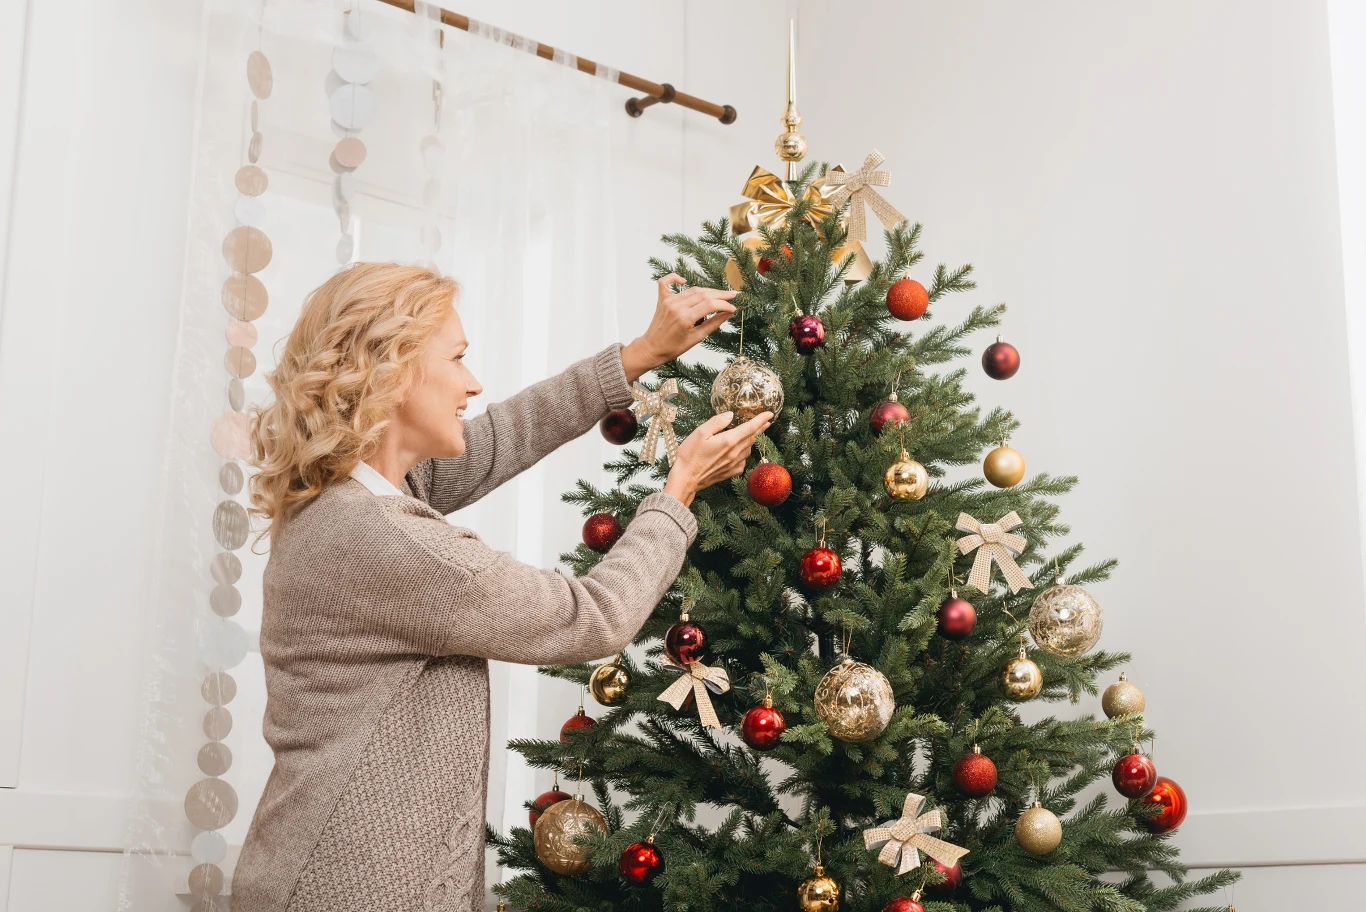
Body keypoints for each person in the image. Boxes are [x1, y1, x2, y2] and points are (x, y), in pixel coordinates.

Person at [230, 262, 771, 912]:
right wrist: (679, 488)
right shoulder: (379, 538)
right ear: (393, 372)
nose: (473, 383)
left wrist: (641, 354)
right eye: (457, 359)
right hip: (353, 887)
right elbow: (593, 617)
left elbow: (503, 436)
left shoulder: (362, 497)